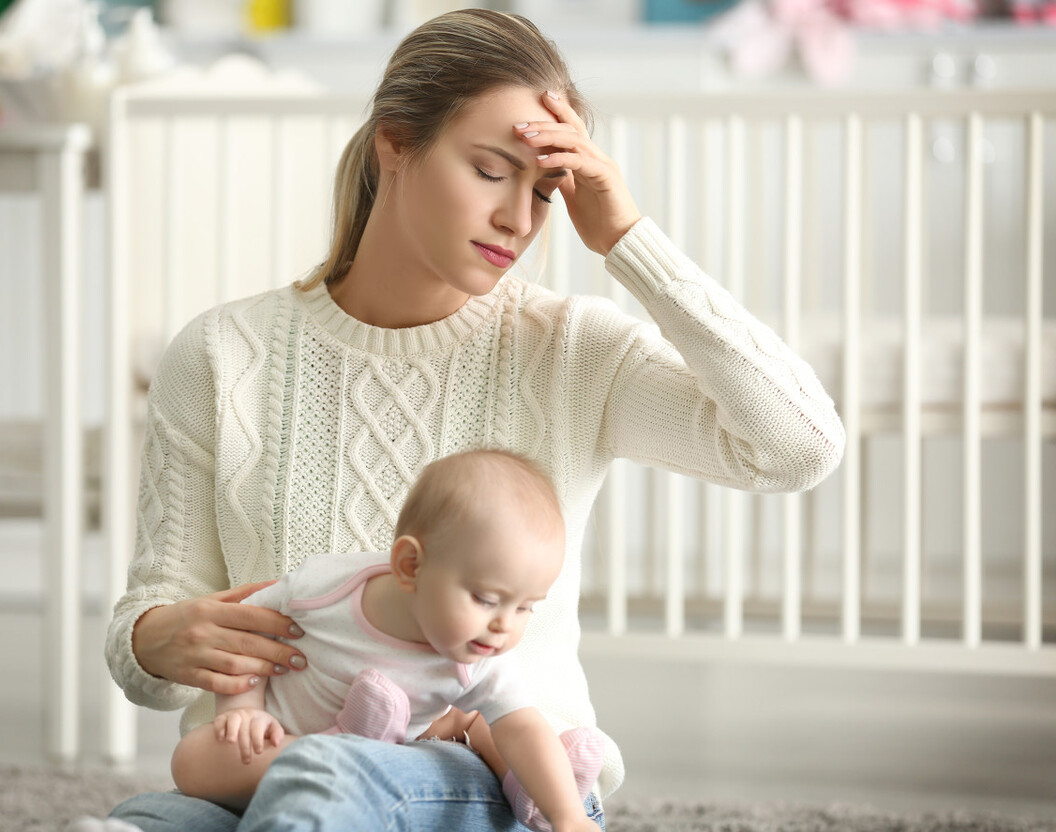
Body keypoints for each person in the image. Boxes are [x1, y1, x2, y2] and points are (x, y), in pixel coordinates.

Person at [94, 8, 845, 832]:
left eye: (544, 189)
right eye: (491, 171)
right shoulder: (220, 355)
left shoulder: (571, 350)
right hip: (260, 776)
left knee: (327, 785)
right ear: (396, 142)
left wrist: (629, 239)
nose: (520, 221)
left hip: (497, 780)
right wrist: (158, 641)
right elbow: (154, 635)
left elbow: (797, 447)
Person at [169, 449, 605, 832]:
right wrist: (243, 710)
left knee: (487, 731)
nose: (504, 626)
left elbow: (522, 726)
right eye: (486, 599)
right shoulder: (324, 588)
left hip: (374, 775)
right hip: (275, 748)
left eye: (526, 607)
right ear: (410, 565)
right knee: (191, 760)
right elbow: (241, 626)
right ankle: (349, 748)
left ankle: (529, 793)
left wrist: (569, 816)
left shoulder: (478, 657)